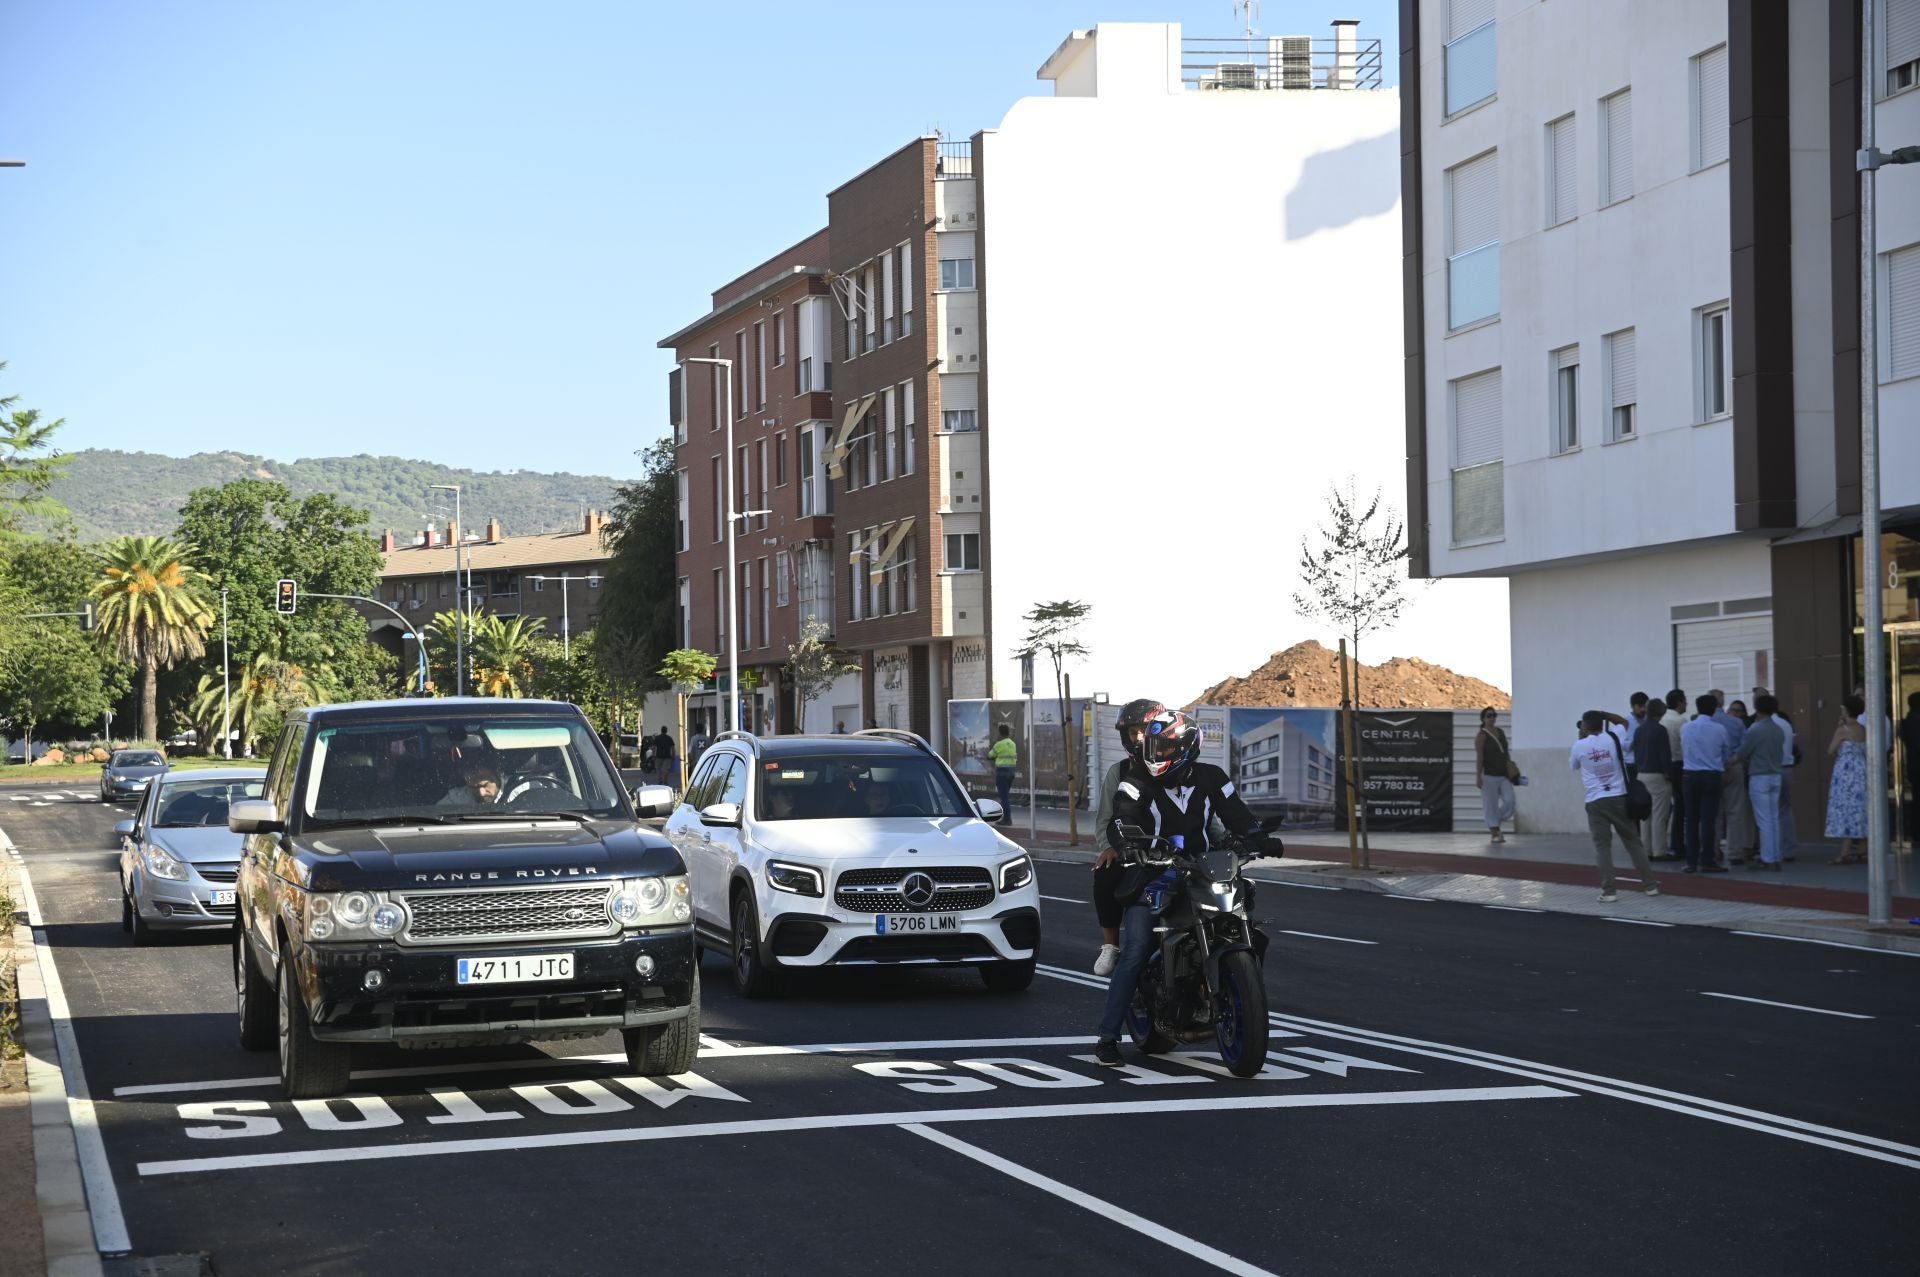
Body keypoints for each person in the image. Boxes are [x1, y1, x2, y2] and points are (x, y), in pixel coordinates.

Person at [1094, 707, 1275, 1068]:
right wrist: (1132, 841)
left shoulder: (1213, 777)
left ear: (1186, 747)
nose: (1154, 755)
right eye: (1152, 748)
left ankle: (1236, 986)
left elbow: (1238, 814)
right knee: (1136, 950)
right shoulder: (1136, 780)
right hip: (1153, 873)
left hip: (1204, 869)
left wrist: (1258, 838)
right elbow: (1121, 818)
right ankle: (1108, 1038)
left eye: (1162, 748)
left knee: (1245, 909)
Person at [1091, 699, 1172, 977]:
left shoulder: (1178, 767)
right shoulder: (1119, 772)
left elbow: (1206, 813)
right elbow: (1104, 820)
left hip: (1179, 852)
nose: (1137, 737)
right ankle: (1111, 946)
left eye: (1144, 730)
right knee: (1104, 872)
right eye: (1131, 732)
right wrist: (1111, 847)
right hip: (1134, 853)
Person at [1570, 711, 1658, 903]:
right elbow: (1624, 722)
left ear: (1584, 727)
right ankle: (1650, 885)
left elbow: (1574, 765)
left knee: (1602, 846)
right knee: (1633, 842)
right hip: (1618, 797)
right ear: (1601, 724)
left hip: (1595, 801)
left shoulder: (1579, 745)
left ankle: (1609, 891)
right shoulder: (1613, 736)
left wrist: (1581, 738)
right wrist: (1604, 714)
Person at [1736, 694, 1787, 871]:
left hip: (1759, 776)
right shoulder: (1778, 729)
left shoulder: (1756, 729)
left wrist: (1729, 762)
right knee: (1774, 818)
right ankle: (1775, 855)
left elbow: (1743, 752)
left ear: (1757, 708)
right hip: (1776, 775)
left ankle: (1767, 858)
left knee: (1764, 820)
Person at [1680, 694, 1729, 873]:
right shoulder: (1720, 729)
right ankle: (1707, 859)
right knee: (1708, 820)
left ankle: (1690, 861)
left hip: (1690, 776)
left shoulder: (1686, 728)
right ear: (1715, 708)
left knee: (1691, 820)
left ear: (1697, 707)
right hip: (1711, 776)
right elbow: (1725, 753)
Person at [1709, 689, 1751, 868]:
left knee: (1714, 813)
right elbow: (1746, 744)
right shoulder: (1736, 722)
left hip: (1712, 769)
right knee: (1735, 810)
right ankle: (1734, 852)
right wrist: (1735, 759)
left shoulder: (1704, 723)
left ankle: (1715, 849)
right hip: (1733, 767)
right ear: (1722, 702)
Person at [1825, 694, 1869, 863]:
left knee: (1845, 809)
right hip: (1860, 770)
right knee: (1860, 808)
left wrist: (1839, 727)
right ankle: (1863, 848)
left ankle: (1845, 852)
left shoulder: (1843, 730)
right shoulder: (1863, 729)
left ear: (1847, 710)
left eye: (1843, 708)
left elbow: (1830, 750)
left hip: (1845, 773)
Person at [1632, 693, 1674, 857]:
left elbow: (1636, 753)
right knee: (1659, 815)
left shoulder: (1639, 730)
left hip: (1642, 774)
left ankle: (1646, 848)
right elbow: (1664, 755)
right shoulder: (1660, 730)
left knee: (1645, 815)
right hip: (1657, 775)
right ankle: (1659, 850)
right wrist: (1668, 774)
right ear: (1660, 713)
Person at [1473, 707, 1517, 844]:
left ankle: (1495, 819)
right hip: (1489, 775)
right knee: (1490, 804)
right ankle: (1495, 833)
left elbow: (1505, 752)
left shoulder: (1500, 732)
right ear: (1483, 718)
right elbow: (1480, 757)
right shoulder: (1481, 736)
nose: (1492, 718)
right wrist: (1478, 775)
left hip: (1503, 774)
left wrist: (1510, 766)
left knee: (1510, 800)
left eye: (1494, 715)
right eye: (1489, 715)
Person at [1662, 689, 1689, 858]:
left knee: (1665, 806)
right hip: (1679, 764)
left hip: (1665, 765)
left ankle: (1663, 844)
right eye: (1685, 700)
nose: (1686, 704)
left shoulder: (1662, 720)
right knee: (1681, 806)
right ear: (1679, 702)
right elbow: (1686, 744)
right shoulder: (1680, 721)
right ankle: (1678, 844)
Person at [1901, 691, 1920, 847]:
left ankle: (1915, 832)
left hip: (1914, 767)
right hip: (1917, 767)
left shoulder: (1906, 722)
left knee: (1916, 800)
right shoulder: (1914, 723)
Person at [989, 724, 1018, 824]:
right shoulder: (1012, 744)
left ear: (1000, 733)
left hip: (1002, 773)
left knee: (1004, 796)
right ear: (1008, 732)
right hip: (1011, 773)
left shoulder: (999, 744)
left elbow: (990, 755)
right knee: (1006, 796)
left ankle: (1007, 819)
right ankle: (1007, 818)